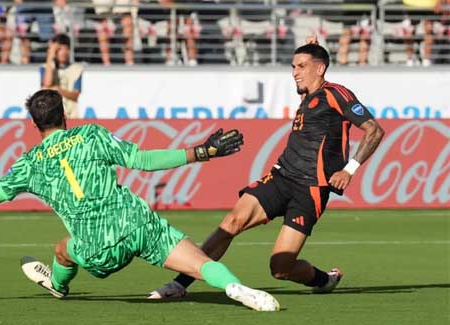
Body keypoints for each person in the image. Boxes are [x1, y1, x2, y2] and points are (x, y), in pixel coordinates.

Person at [0, 89, 280, 312]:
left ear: (35, 124)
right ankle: (240, 292)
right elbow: (143, 161)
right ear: (65, 115)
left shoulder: (29, 164)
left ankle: (59, 287)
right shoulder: (91, 135)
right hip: (137, 224)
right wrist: (201, 152)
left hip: (96, 246)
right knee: (201, 263)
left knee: (63, 249)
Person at [148, 42, 385, 299]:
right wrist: (311, 49)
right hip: (281, 177)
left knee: (280, 269)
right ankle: (179, 285)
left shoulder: (336, 93)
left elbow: (374, 130)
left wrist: (349, 170)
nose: (295, 72)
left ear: (320, 68)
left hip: (311, 190)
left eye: (302, 66)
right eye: (293, 67)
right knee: (231, 223)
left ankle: (324, 280)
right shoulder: (307, 96)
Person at [40, 34, 83, 119]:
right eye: (59, 49)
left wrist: (58, 90)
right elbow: (47, 84)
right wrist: (50, 58)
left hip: (71, 116)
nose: (63, 52)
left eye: (66, 49)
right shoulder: (45, 67)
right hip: (51, 117)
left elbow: (75, 95)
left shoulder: (77, 69)